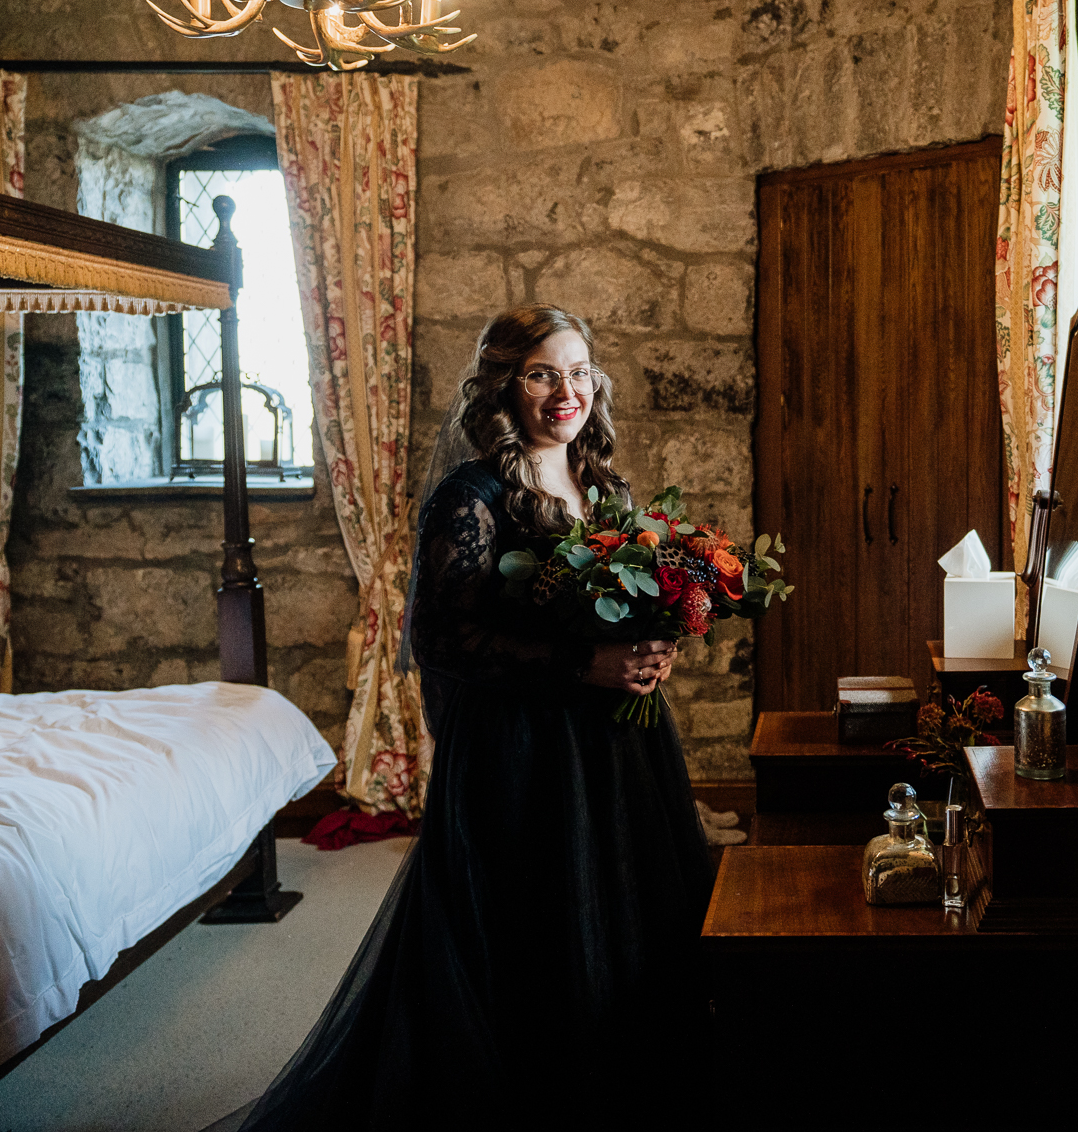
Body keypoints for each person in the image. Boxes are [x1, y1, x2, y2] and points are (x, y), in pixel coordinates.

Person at [219, 305, 716, 1129]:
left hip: (616, 744)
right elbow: (442, 637)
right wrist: (584, 664)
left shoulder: (606, 485)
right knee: (531, 931)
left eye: (580, 371)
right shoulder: (472, 492)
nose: (567, 391)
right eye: (542, 373)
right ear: (502, 386)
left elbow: (631, 599)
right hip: (521, 747)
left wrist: (655, 645)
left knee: (628, 909)